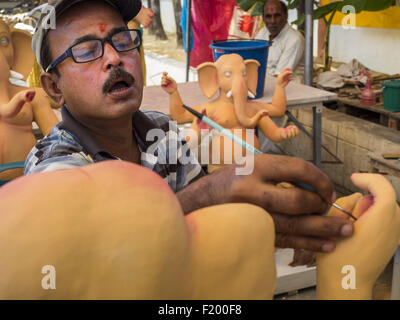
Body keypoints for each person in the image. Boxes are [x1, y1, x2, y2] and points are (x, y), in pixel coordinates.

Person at [24, 0, 354, 254]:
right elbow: (93, 257)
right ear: (54, 87)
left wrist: (273, 223)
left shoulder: (162, 131)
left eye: (122, 39)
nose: (114, 58)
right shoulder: (54, 165)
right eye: (86, 50)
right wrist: (209, 191)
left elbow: (203, 221)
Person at [255, 0, 304, 81]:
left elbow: (280, 77)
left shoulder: (294, 39)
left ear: (286, 16)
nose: (272, 21)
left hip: (288, 88)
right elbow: (253, 60)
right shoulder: (263, 32)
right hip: (263, 82)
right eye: (268, 16)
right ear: (263, 18)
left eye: (277, 15)